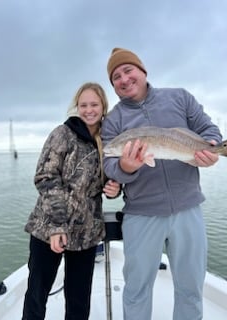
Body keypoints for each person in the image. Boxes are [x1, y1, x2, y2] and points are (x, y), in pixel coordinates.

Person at [101, 48, 222, 320]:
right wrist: (125, 167)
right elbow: (108, 162)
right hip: (141, 214)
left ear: (143, 71)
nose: (124, 79)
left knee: (191, 287)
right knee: (136, 289)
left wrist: (211, 148)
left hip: (189, 209)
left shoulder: (180, 97)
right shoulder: (113, 120)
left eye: (128, 70)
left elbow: (209, 131)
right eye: (116, 77)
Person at [22, 82, 120, 320]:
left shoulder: (108, 140)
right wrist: (57, 226)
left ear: (103, 107)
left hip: (86, 235)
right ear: (77, 107)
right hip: (49, 230)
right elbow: (45, 178)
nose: (89, 110)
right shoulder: (62, 134)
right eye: (83, 105)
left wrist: (114, 189)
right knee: (37, 295)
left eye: (94, 104)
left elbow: (111, 181)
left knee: (78, 302)